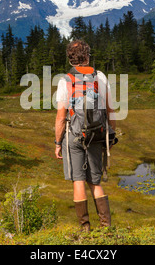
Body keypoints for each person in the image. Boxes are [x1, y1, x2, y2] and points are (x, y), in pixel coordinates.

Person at [54, 40, 116, 232]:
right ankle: (106, 227)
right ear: (88, 56)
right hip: (96, 135)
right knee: (94, 181)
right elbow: (110, 110)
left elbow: (61, 117)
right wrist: (110, 136)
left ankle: (85, 229)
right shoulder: (100, 77)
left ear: (71, 59)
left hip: (73, 136)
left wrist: (58, 143)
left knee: (78, 180)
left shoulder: (66, 80)